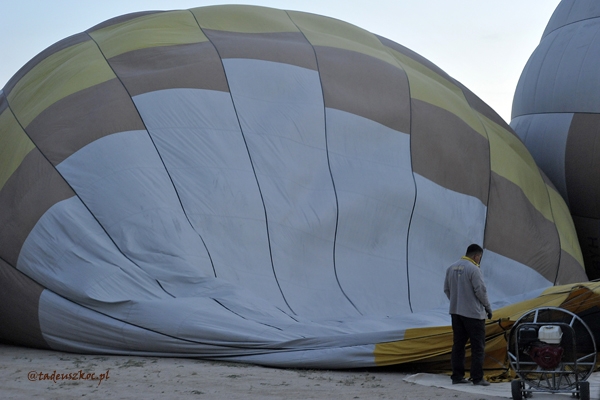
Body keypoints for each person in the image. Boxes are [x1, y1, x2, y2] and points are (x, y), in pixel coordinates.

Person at [443, 244, 492, 386]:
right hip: (474, 315)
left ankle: (457, 377)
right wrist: (488, 308)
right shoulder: (474, 269)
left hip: (456, 313)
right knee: (478, 347)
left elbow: (446, 289)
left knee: (458, 345)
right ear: (476, 256)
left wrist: (457, 302)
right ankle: (477, 378)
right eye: (480, 257)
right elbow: (481, 291)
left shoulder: (451, 267)